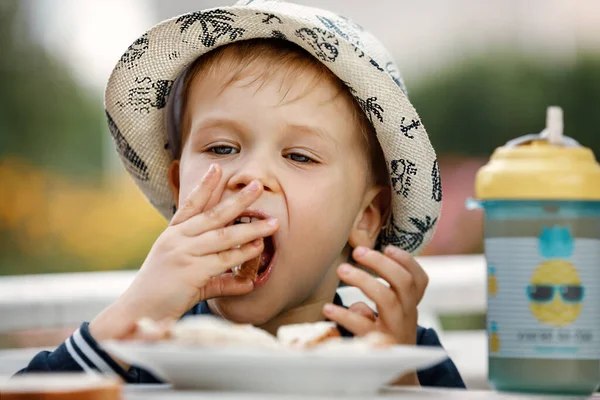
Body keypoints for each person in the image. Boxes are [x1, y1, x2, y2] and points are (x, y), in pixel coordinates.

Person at [19, 0, 464, 388]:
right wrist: (127, 318)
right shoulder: (142, 349)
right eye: (222, 148)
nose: (249, 176)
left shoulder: (401, 350)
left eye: (300, 156)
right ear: (180, 193)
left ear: (365, 217)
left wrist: (397, 377)